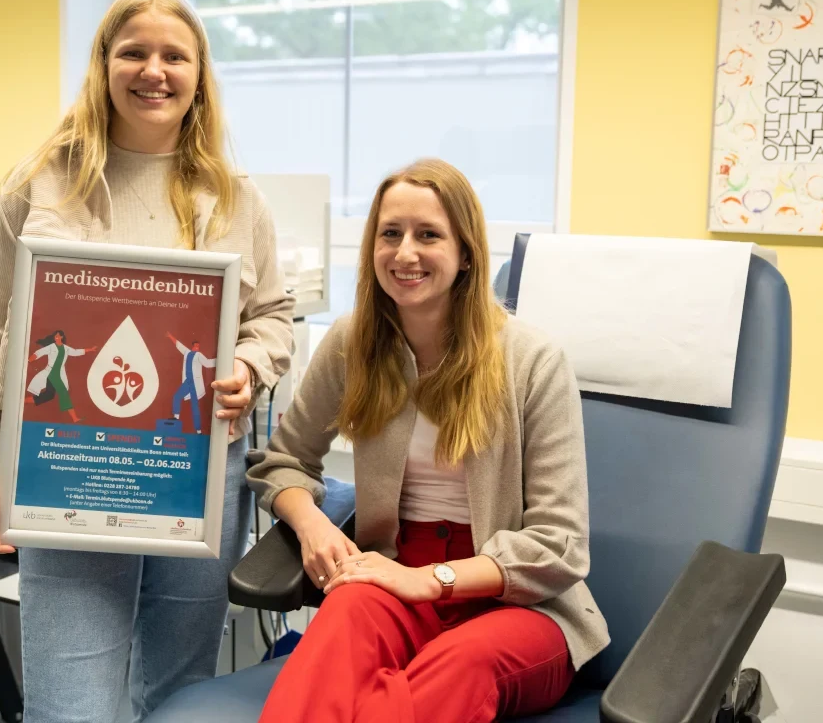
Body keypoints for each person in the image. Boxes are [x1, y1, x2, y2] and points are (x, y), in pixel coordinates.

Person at [0, 0, 294, 721]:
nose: (153, 70)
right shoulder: (41, 184)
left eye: (175, 55)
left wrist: (249, 367)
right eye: (133, 52)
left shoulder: (237, 199)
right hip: (68, 467)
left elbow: (274, 317)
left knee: (180, 696)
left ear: (200, 75)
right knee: (70, 704)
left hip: (193, 472)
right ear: (103, 65)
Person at [246, 158, 609, 722]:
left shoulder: (532, 360)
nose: (405, 253)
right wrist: (311, 523)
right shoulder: (352, 343)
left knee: (460, 665)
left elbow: (559, 545)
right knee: (339, 622)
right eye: (390, 234)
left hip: (520, 603)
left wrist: (429, 581)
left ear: (466, 254)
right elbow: (284, 461)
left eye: (428, 235)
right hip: (393, 570)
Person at [26, 329, 97, 422]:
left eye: (58, 336)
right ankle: (74, 418)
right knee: (63, 394)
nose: (56, 338)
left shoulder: (66, 348)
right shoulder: (51, 347)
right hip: (51, 373)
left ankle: (23, 401)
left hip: (59, 374)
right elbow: (39, 353)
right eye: (55, 336)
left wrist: (90, 350)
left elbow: (76, 352)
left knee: (49, 395)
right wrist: (29, 360)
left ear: (62, 337)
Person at [166, 332, 215, 433]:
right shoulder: (187, 353)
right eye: (196, 346)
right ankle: (176, 417)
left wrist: (222, 360)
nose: (197, 348)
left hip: (194, 384)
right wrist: (171, 336)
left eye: (198, 346)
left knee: (194, 406)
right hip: (187, 382)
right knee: (176, 396)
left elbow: (208, 363)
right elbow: (178, 345)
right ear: (193, 346)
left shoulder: (199, 355)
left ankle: (198, 430)